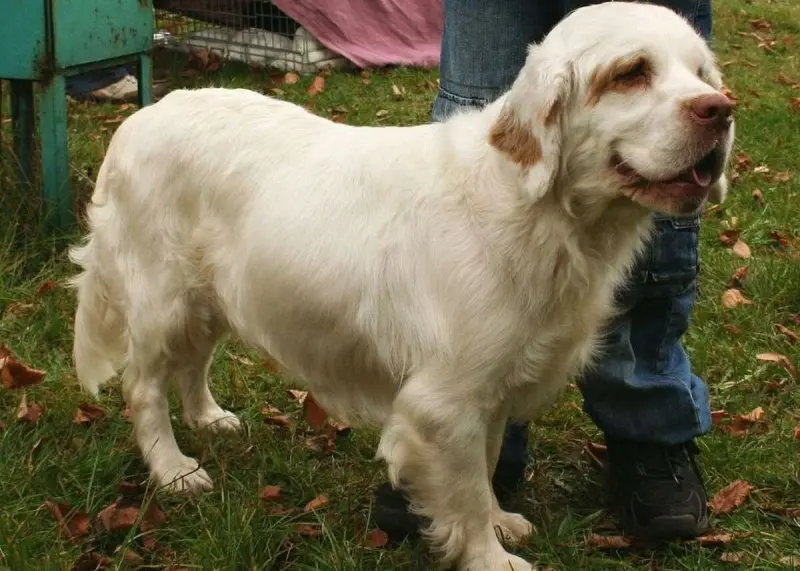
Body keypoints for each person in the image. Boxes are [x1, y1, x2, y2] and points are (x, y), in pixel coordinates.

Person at [375, 0, 714, 541]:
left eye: (702, 77)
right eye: (634, 75)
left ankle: (648, 433)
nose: (712, 100)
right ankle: (461, 442)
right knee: (472, 129)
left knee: (644, 269)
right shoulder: (529, 127)